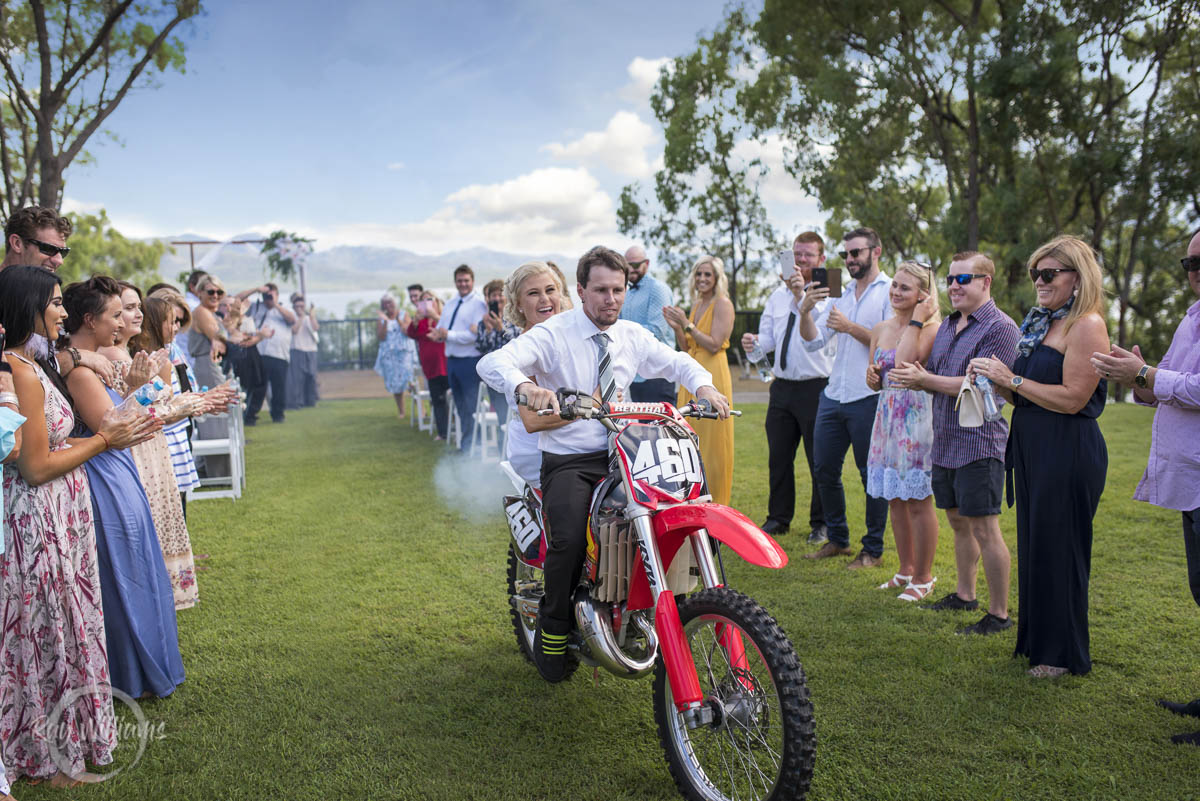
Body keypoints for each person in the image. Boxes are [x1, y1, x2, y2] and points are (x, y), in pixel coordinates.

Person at [478, 245, 729, 683]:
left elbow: (676, 361)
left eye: (618, 289)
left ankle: (665, 606)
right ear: (582, 290)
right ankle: (554, 634)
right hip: (571, 459)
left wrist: (704, 387)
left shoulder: (631, 334)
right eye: (600, 290)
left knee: (687, 513)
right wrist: (524, 385)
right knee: (571, 538)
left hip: (627, 450)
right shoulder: (553, 333)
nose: (610, 298)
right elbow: (494, 361)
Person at [0, 266, 157, 785]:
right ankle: (41, 758)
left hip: (61, 517)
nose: (63, 311)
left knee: (65, 626)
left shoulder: (32, 363)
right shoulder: (18, 371)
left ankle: (70, 744)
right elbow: (36, 465)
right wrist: (103, 441)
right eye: (54, 302)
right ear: (27, 305)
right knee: (41, 633)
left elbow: (54, 442)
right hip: (36, 521)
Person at [970, 235, 1110, 678]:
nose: (1039, 282)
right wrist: (997, 383)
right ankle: (1036, 643)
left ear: (1077, 276)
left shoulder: (1086, 325)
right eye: (1036, 274)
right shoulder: (1040, 323)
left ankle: (1062, 654)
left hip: (1067, 449)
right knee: (1036, 544)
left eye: (1049, 274)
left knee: (1060, 548)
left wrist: (1012, 377)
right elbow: (1029, 395)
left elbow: (1071, 398)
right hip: (1032, 445)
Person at [1091, 230, 1200, 743]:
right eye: (1189, 261)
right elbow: (1174, 385)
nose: (1194, 269)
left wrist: (1150, 373)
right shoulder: (1192, 315)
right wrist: (1140, 381)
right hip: (1191, 476)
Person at [61, 278, 186, 697]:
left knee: (139, 565)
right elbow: (114, 429)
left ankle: (150, 666)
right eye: (114, 315)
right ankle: (129, 674)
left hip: (120, 471)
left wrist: (137, 389)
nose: (121, 323)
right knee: (120, 573)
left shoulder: (93, 361)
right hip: (103, 476)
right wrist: (139, 389)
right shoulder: (80, 371)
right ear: (89, 319)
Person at [889, 252, 1020, 634]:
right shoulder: (946, 324)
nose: (954, 286)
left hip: (980, 443)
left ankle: (999, 614)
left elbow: (984, 389)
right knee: (958, 522)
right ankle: (965, 595)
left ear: (986, 282)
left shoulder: (1001, 328)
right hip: (945, 440)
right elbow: (911, 366)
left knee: (984, 528)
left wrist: (924, 380)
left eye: (964, 279)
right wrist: (919, 337)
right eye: (950, 279)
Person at [86, 282, 201, 610]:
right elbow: (123, 417)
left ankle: (159, 598)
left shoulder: (127, 353)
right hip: (134, 454)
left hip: (151, 450)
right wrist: (190, 403)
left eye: (137, 307)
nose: (134, 314)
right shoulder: (106, 357)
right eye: (125, 308)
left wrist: (189, 402)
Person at [799, 227, 893, 568]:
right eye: (847, 255)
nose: (851, 259)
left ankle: (873, 550)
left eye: (856, 253)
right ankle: (838, 540)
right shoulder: (840, 291)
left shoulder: (890, 291)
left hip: (868, 396)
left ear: (875, 251)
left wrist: (851, 327)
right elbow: (813, 342)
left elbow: (890, 347)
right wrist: (806, 312)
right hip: (833, 394)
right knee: (823, 469)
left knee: (871, 475)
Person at [742, 232, 834, 541]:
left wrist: (800, 295)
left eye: (808, 255)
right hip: (781, 388)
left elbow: (820, 332)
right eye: (797, 254)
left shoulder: (829, 292)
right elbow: (770, 340)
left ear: (821, 259)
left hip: (816, 387)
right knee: (779, 457)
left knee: (817, 459)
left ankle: (821, 524)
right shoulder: (775, 296)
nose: (801, 260)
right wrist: (754, 343)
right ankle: (778, 518)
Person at [863, 262, 941, 601]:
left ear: (923, 295)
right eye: (894, 285)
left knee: (919, 499)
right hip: (887, 416)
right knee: (895, 496)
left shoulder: (931, 328)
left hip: (916, 418)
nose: (896, 292)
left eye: (905, 288)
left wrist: (917, 318)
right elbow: (880, 377)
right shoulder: (880, 328)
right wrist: (872, 378)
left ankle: (924, 576)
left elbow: (906, 362)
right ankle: (905, 569)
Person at [665, 255, 735, 505]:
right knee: (691, 439)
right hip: (692, 374)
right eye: (699, 274)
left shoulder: (722, 303)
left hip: (713, 375)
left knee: (714, 445)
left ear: (717, 278)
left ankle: (717, 501)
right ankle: (694, 499)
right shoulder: (697, 303)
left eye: (708, 274)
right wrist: (677, 327)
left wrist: (687, 323)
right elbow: (687, 347)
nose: (702, 279)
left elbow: (715, 344)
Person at [498, 261, 574, 487]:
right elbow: (532, 420)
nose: (544, 299)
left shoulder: (568, 338)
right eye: (533, 293)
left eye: (550, 290)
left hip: (569, 441)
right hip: (537, 451)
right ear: (518, 304)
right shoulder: (523, 350)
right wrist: (595, 405)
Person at [149, 289, 202, 516]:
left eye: (179, 321)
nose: (177, 327)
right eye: (172, 321)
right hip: (168, 432)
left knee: (179, 503)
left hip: (180, 426)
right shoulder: (158, 356)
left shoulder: (172, 348)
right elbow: (161, 404)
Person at [429, 265, 487, 451]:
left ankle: (474, 447)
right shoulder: (451, 303)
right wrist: (437, 334)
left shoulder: (478, 304)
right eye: (459, 281)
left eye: (466, 280)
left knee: (472, 406)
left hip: (469, 362)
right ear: (455, 282)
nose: (463, 284)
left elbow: (475, 336)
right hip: (452, 362)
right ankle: (466, 443)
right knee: (460, 406)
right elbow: (443, 326)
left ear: (473, 281)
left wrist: (449, 335)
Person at [620, 244, 677, 403]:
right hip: (635, 373)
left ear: (647, 264)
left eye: (636, 265)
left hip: (658, 373)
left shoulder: (658, 289)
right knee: (641, 426)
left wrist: (622, 332)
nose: (631, 269)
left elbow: (656, 331)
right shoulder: (627, 291)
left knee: (662, 426)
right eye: (627, 265)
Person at [189, 274, 231, 474]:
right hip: (207, 364)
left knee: (221, 413)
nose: (215, 295)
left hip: (212, 362)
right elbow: (219, 337)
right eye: (210, 292)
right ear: (199, 293)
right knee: (216, 414)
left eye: (219, 292)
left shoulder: (212, 313)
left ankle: (221, 468)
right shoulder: (201, 312)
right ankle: (216, 471)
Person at [475, 278, 520, 435]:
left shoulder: (515, 320)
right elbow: (480, 347)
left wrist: (501, 328)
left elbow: (518, 344)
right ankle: (502, 447)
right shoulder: (483, 323)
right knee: (501, 416)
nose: (496, 298)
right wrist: (488, 330)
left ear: (506, 296)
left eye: (499, 294)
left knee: (516, 415)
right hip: (494, 375)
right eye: (493, 295)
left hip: (513, 374)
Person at [246, 282, 295, 424]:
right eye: (265, 295)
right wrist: (255, 289)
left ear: (277, 295)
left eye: (270, 295)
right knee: (257, 386)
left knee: (279, 387)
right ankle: (250, 415)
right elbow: (239, 303)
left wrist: (275, 304)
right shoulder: (255, 308)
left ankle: (278, 414)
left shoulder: (283, 309)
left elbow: (292, 319)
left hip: (279, 354)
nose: (267, 298)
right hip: (259, 354)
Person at [408, 290, 449, 439]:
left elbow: (450, 329)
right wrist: (416, 321)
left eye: (429, 299)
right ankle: (443, 432)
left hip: (446, 365)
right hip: (430, 368)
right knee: (437, 400)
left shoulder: (443, 316)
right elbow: (411, 334)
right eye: (423, 300)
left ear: (436, 301)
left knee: (453, 399)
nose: (426, 303)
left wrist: (434, 316)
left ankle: (458, 428)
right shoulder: (420, 321)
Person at [374, 292, 416, 418]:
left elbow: (407, 331)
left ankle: (421, 410)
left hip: (405, 353)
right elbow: (381, 337)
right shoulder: (382, 318)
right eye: (385, 303)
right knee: (395, 383)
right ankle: (401, 411)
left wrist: (397, 319)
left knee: (411, 382)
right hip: (389, 355)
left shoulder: (404, 314)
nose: (388, 305)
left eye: (390, 302)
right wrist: (386, 321)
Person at [287, 293, 320, 408]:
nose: (300, 309)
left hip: (311, 349)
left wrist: (311, 315)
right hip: (297, 348)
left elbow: (316, 328)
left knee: (311, 376)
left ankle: (311, 400)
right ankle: (297, 401)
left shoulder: (308, 317)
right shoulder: (291, 317)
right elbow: (294, 330)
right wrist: (300, 317)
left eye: (302, 306)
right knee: (297, 378)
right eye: (298, 306)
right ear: (294, 307)